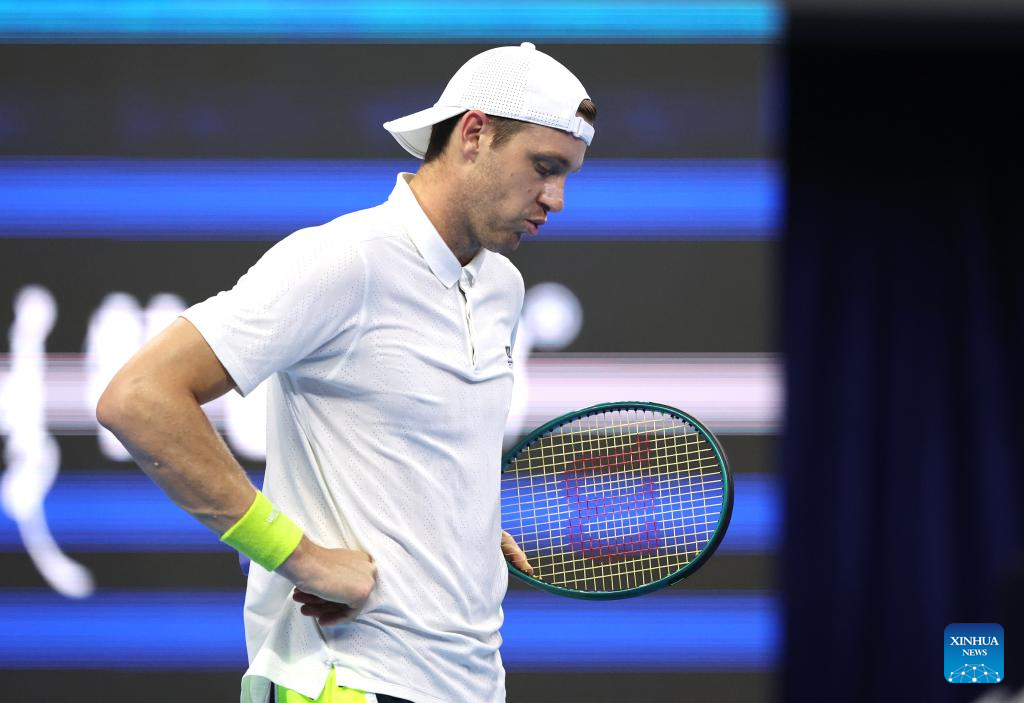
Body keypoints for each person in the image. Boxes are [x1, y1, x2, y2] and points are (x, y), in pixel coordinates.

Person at [96, 42, 595, 703]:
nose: (556, 199)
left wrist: (456, 529)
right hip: (342, 681)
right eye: (544, 167)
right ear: (474, 134)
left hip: (470, 683)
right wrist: (300, 557)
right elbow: (139, 397)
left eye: (567, 175)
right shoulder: (344, 261)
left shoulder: (502, 286)